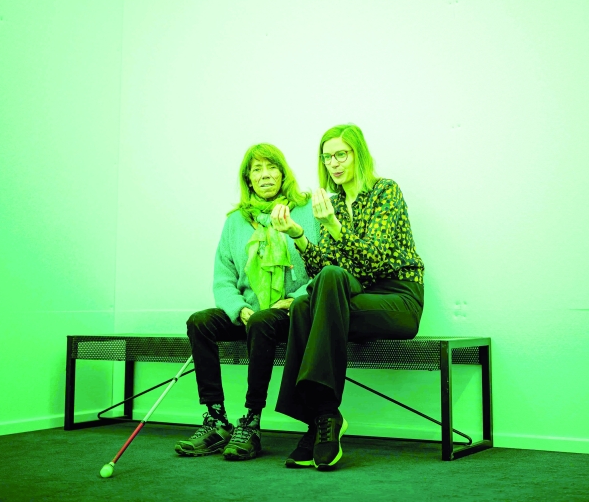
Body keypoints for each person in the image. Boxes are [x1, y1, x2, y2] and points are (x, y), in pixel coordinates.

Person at [269, 123, 425, 471]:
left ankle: (317, 418)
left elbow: (374, 261)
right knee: (310, 298)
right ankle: (323, 416)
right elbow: (322, 268)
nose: (334, 164)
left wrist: (336, 226)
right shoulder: (332, 202)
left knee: (320, 293)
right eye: (327, 158)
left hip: (397, 300)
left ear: (358, 154)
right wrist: (299, 236)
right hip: (350, 298)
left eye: (341, 154)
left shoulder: (385, 192)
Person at [175, 143, 319, 461]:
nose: (265, 174)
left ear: (283, 173)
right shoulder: (235, 222)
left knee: (262, 321)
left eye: (272, 167)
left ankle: (251, 423)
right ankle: (216, 420)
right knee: (199, 321)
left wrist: (295, 299)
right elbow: (223, 278)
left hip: (286, 314)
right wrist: (238, 308)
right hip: (247, 313)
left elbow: (322, 266)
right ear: (248, 179)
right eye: (257, 169)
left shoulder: (306, 211)